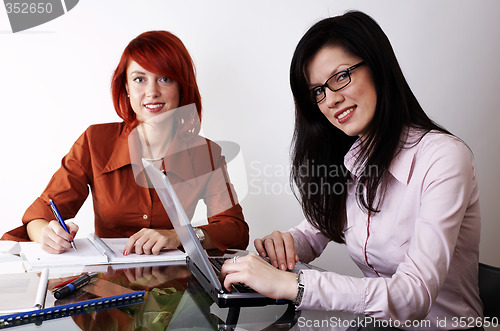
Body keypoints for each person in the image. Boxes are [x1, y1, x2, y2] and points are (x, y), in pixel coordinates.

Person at [220, 11, 483, 330]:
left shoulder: (443, 158)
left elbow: (411, 297)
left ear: (378, 68)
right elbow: (313, 233)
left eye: (341, 76)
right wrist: (283, 245)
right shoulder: (350, 158)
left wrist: (292, 285)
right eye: (318, 91)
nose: (330, 99)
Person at [2, 31, 249, 255]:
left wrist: (181, 235)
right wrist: (46, 233)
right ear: (127, 88)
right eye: (139, 79)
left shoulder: (206, 153)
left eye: (165, 79)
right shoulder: (94, 141)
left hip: (177, 291)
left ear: (182, 87)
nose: (152, 92)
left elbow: (235, 231)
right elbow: (38, 217)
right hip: (104, 288)